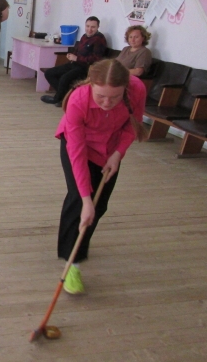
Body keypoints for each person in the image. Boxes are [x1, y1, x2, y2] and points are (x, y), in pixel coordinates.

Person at [55, 59, 147, 294]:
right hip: (80, 146)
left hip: (109, 148)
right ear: (91, 85)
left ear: (125, 89)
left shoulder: (137, 90)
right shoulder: (78, 99)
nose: (107, 103)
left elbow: (131, 125)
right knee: (79, 200)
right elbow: (76, 152)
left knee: (100, 204)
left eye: (114, 97)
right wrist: (86, 199)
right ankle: (72, 261)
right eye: (101, 97)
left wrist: (118, 154)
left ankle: (81, 239)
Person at [41, 16, 107, 107]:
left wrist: (77, 58)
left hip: (86, 68)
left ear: (98, 27)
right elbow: (78, 50)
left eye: (93, 27)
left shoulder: (99, 39)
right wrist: (71, 55)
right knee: (49, 73)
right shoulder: (84, 36)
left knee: (65, 78)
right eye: (87, 26)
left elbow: (96, 58)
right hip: (74, 64)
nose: (89, 29)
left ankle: (57, 98)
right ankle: (65, 97)